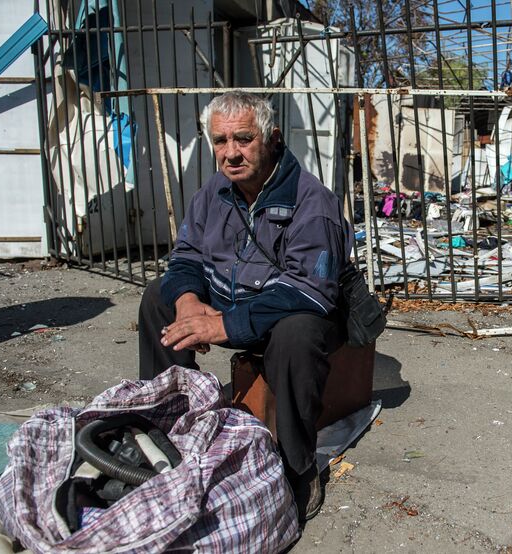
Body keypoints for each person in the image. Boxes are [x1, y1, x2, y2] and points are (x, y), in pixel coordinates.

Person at [137, 92, 351, 521]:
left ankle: (298, 465)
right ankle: (168, 427)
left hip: (293, 308)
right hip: (234, 299)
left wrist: (224, 325)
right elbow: (185, 257)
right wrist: (188, 302)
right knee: (156, 296)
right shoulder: (214, 192)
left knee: (297, 332)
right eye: (220, 141)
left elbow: (309, 290)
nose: (230, 154)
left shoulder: (313, 202)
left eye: (243, 139)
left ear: (271, 139)